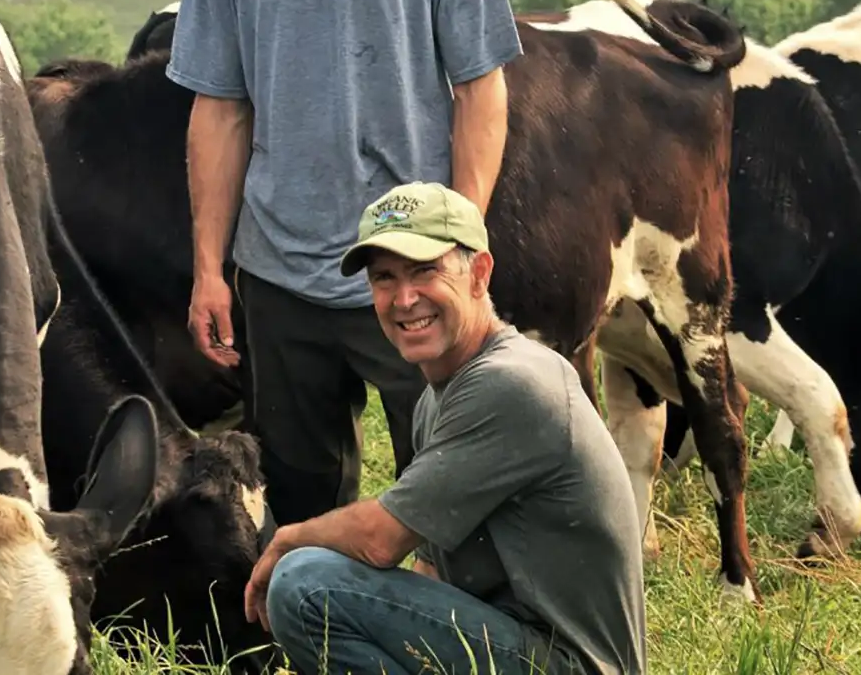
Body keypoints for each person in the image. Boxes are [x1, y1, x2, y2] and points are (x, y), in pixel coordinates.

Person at [166, 0, 523, 526]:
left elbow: (482, 90)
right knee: (299, 500)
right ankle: (320, 643)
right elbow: (218, 114)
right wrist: (211, 268)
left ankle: (448, 647)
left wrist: (460, 241)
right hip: (281, 270)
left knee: (449, 490)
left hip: (413, 263)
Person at [244, 181, 648, 675]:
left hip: (567, 662)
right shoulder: (438, 399)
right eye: (384, 278)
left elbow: (380, 541)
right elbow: (431, 572)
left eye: (424, 271)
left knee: (305, 583)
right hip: (516, 642)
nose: (404, 298)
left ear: (479, 273)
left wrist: (287, 539)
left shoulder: (510, 383)